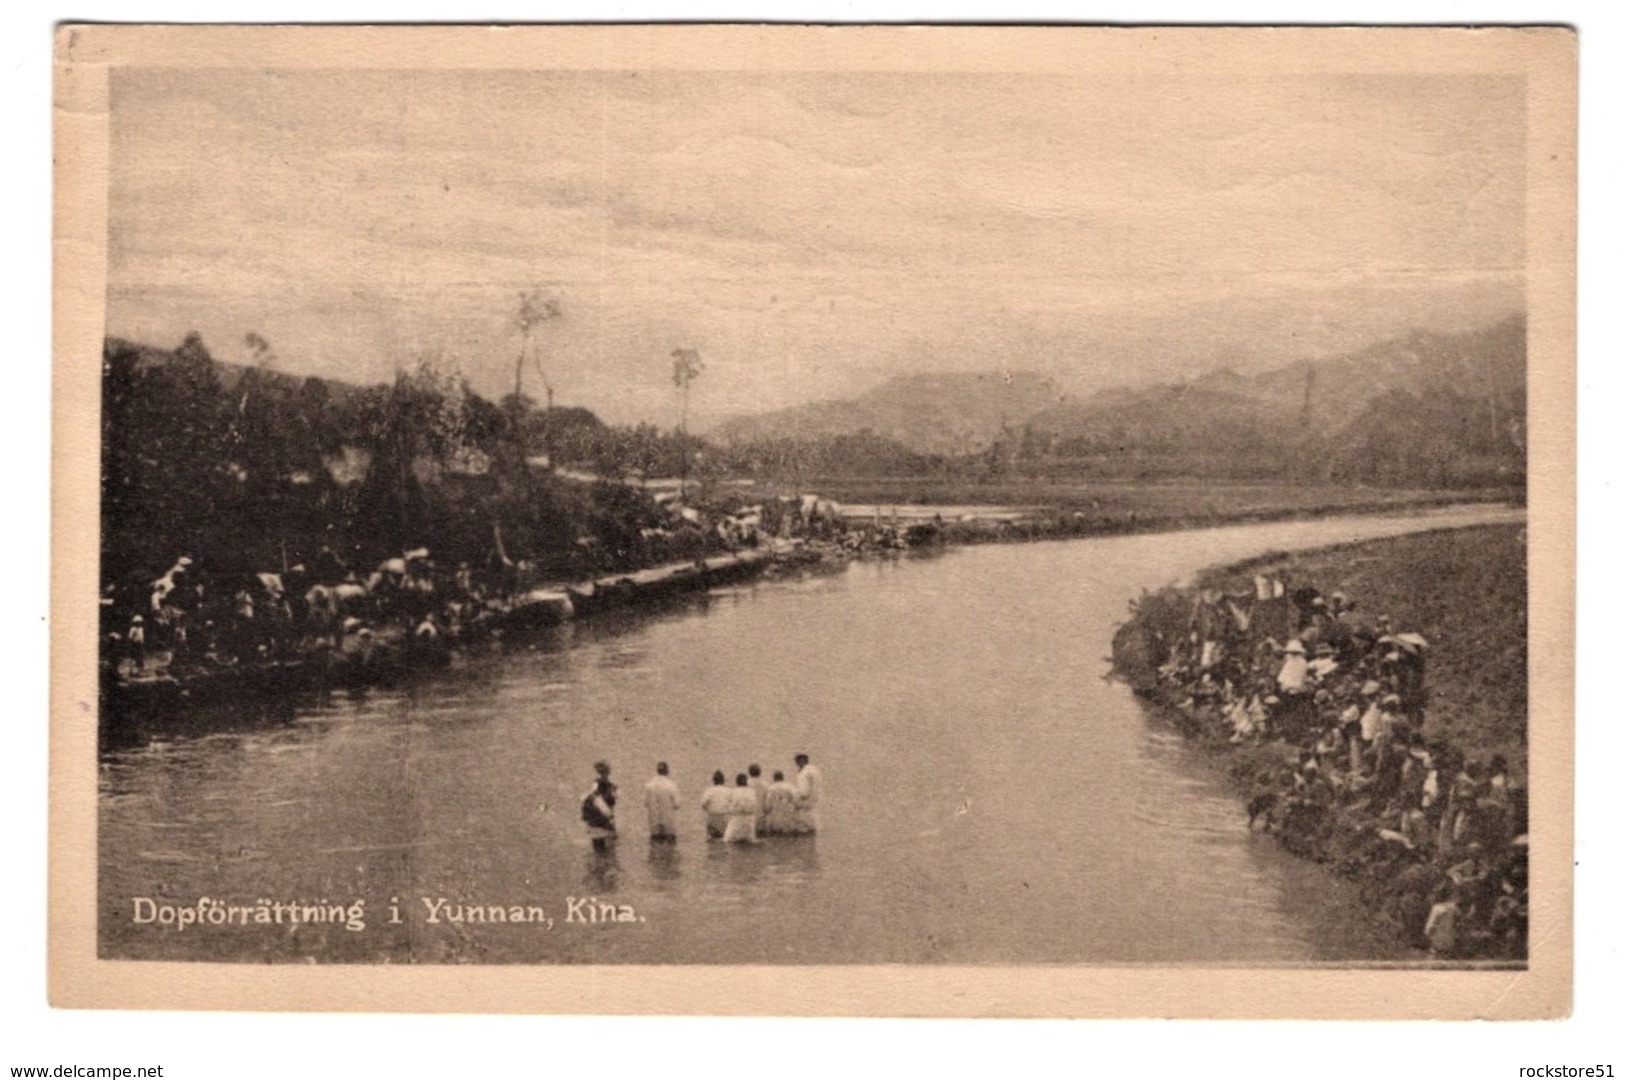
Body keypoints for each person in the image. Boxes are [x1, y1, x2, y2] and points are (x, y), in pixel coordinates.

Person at [581, 760, 617, 853]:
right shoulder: (603, 785)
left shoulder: (599, 784)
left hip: (598, 815)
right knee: (604, 842)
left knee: (599, 842)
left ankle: (600, 860)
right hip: (602, 813)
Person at [644, 761, 681, 842]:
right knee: (670, 847)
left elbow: (646, 804)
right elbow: (677, 804)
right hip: (668, 821)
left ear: (657, 771)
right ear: (667, 771)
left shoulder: (649, 785)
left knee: (654, 846)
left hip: (654, 821)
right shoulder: (671, 785)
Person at [723, 773, 760, 844]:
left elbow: (727, 807)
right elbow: (755, 806)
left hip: (736, 821)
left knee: (727, 841)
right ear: (746, 782)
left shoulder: (733, 791)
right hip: (749, 822)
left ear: (737, 782)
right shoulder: (752, 792)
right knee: (750, 842)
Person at [793, 753, 823, 834]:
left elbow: (804, 792)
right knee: (813, 830)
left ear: (801, 761)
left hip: (806, 803)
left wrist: (795, 801)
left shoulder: (804, 772)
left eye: (797, 761)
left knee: (803, 830)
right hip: (815, 801)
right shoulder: (815, 770)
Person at [762, 770, 799, 834]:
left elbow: (767, 807)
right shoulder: (790, 787)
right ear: (783, 777)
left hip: (775, 822)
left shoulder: (771, 789)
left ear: (774, 778)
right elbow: (797, 800)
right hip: (788, 821)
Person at [700, 770, 732, 839]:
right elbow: (733, 804)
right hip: (725, 817)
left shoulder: (709, 791)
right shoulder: (729, 791)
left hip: (712, 817)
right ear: (723, 780)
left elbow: (703, 804)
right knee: (724, 838)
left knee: (712, 839)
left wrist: (708, 810)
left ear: (713, 780)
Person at [747, 764, 769, 833]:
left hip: (749, 817)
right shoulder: (765, 784)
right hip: (761, 817)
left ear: (749, 772)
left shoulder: (746, 783)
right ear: (760, 772)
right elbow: (767, 803)